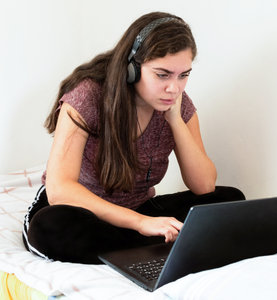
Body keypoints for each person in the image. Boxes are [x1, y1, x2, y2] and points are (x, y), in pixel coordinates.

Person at [22, 12, 245, 264]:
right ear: (132, 69)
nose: (174, 88)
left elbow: (204, 185)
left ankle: (135, 247)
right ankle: (156, 245)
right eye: (163, 75)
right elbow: (60, 190)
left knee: (230, 200)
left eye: (183, 75)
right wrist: (141, 223)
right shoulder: (87, 96)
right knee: (49, 227)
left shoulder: (177, 104)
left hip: (138, 210)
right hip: (81, 211)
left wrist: (174, 119)